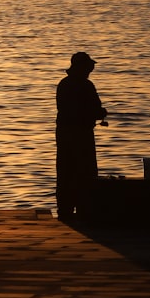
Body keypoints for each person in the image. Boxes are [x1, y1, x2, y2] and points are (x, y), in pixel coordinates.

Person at [55, 51, 107, 220]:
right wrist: (101, 113)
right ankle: (84, 210)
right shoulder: (86, 85)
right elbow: (95, 110)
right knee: (85, 172)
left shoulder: (63, 84)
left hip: (64, 134)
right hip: (81, 135)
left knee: (65, 171)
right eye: (89, 67)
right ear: (82, 67)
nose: (91, 70)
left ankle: (65, 210)